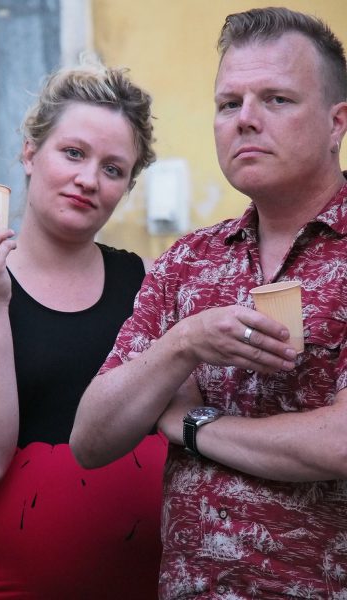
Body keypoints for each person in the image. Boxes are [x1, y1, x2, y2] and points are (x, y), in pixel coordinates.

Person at [70, 7, 347, 599]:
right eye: (229, 104)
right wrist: (184, 343)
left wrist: (191, 425)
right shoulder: (188, 260)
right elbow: (92, 437)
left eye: (276, 99)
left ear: (336, 122)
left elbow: (340, 442)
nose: (245, 120)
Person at [0, 58, 168, 599]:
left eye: (114, 169)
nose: (88, 179)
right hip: (14, 586)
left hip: (151, 582)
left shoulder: (149, 284)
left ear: (127, 187)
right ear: (29, 152)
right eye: (73, 153)